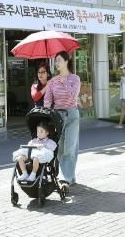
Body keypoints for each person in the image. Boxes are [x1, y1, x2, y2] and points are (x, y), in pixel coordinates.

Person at [44, 51, 80, 189]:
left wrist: (65, 82)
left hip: (71, 115)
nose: (56, 63)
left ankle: (66, 179)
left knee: (70, 148)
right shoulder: (53, 81)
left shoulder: (75, 79)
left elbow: (73, 96)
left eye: (59, 60)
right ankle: (70, 175)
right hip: (57, 117)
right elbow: (48, 99)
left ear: (66, 61)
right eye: (56, 60)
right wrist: (46, 113)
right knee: (60, 149)